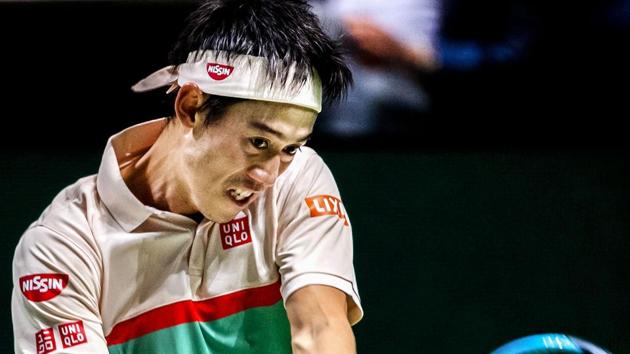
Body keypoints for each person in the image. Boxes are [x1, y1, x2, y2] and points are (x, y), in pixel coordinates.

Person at [11, 0, 362, 353]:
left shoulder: (297, 178)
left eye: (290, 148)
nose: (268, 176)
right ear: (191, 106)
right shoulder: (62, 245)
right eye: (258, 142)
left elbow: (321, 330)